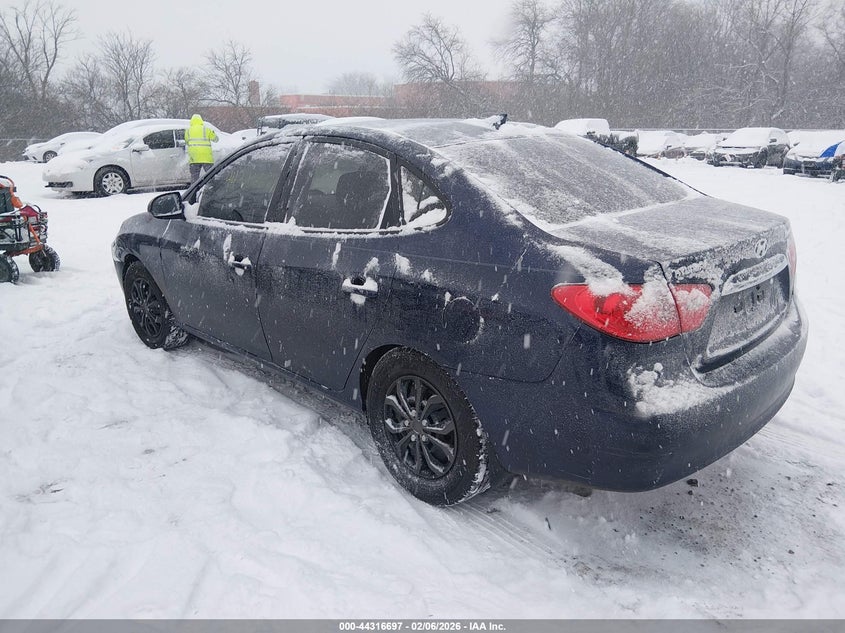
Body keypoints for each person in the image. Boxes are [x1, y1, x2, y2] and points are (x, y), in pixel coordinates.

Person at [184, 114, 219, 182]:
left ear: (192, 121)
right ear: (201, 121)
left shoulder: (188, 131)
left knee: (194, 179)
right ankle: (212, 189)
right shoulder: (207, 129)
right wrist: (213, 133)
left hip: (194, 158)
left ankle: (194, 191)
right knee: (210, 177)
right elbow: (216, 139)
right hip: (207, 158)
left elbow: (187, 142)